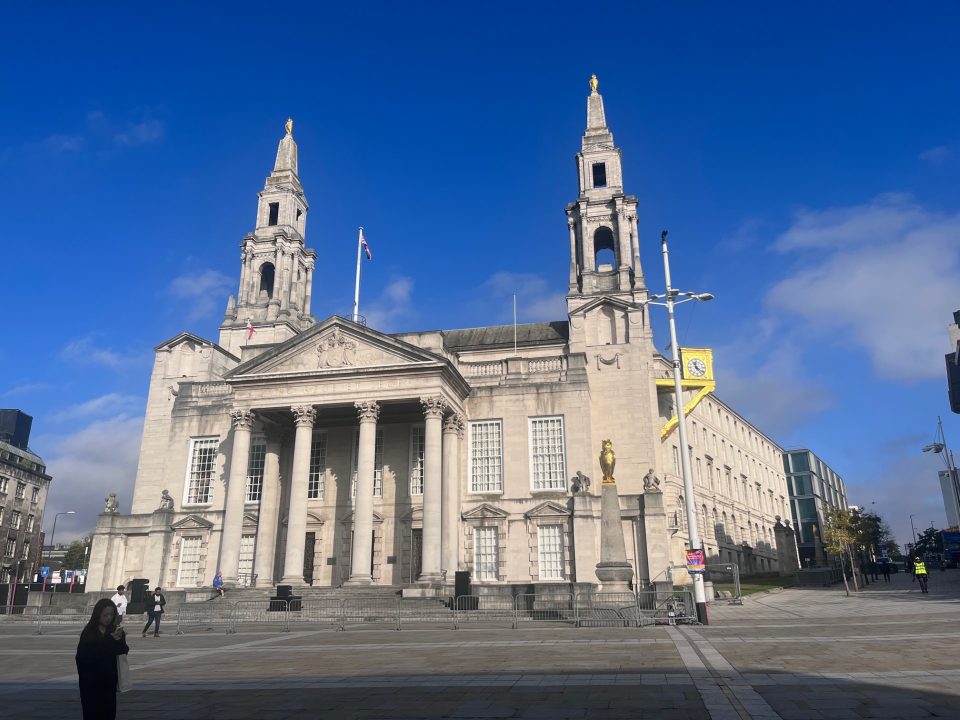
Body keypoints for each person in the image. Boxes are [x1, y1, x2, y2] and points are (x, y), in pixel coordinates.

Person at [76, 598, 129, 720]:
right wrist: (110, 640)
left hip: (109, 679)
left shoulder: (114, 630)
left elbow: (123, 651)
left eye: (111, 615)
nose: (108, 618)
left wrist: (119, 640)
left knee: (108, 712)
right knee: (92, 712)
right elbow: (84, 656)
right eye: (105, 615)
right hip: (91, 681)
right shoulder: (89, 632)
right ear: (98, 615)